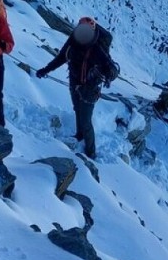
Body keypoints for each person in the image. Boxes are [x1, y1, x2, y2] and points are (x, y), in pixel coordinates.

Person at [36, 17, 116, 159]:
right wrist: (45, 70)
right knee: (77, 109)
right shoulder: (73, 40)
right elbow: (61, 57)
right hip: (75, 82)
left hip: (90, 88)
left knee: (86, 120)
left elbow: (112, 68)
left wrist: (109, 75)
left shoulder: (97, 48)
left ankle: (91, 153)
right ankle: (79, 136)